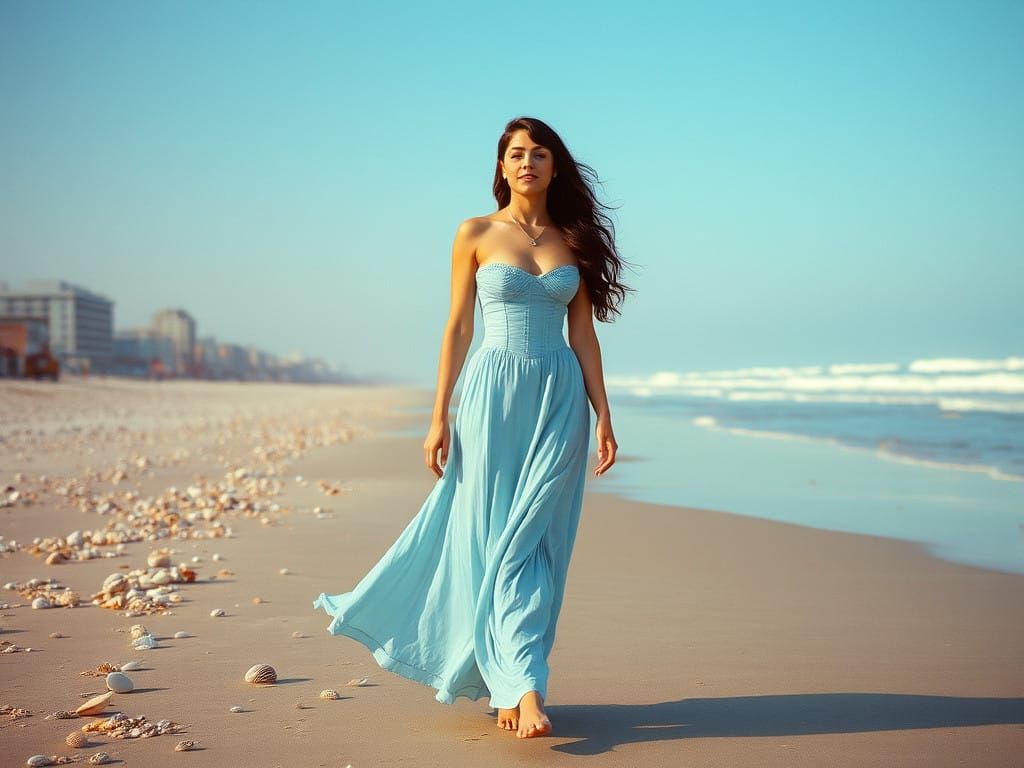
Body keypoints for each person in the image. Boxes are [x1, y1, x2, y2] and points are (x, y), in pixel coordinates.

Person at [313, 116, 632, 739]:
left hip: (559, 397)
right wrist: (439, 415)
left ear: (555, 166)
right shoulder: (475, 233)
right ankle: (513, 684)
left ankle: (522, 683)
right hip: (492, 398)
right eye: (516, 153)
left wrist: (604, 414)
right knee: (493, 539)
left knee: (535, 541)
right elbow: (457, 327)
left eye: (539, 153)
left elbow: (584, 335)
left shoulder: (574, 240)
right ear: (501, 165)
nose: (527, 162)